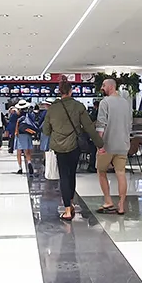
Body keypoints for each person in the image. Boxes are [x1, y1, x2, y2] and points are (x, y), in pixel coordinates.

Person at [44, 80, 104, 221]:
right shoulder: (78, 106)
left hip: (59, 147)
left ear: (59, 92)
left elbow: (46, 130)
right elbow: (89, 127)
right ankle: (70, 203)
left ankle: (67, 210)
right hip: (75, 146)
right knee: (71, 175)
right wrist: (99, 144)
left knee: (63, 176)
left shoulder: (52, 108)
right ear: (71, 91)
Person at [94, 79, 132, 215]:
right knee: (121, 174)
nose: (102, 87)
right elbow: (130, 124)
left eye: (103, 85)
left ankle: (108, 200)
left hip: (107, 145)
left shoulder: (105, 102)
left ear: (110, 86)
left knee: (101, 171)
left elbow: (101, 125)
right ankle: (121, 206)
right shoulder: (126, 103)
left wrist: (99, 144)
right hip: (123, 144)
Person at [14, 103, 41, 174]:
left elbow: (16, 124)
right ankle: (29, 162)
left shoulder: (17, 115)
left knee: (19, 151)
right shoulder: (30, 115)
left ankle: (20, 168)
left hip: (20, 134)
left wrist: (16, 132)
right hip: (27, 134)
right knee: (27, 151)